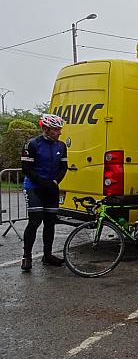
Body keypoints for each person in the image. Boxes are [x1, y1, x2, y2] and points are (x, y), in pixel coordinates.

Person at [19, 114, 68, 271]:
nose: (59, 132)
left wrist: (55, 182)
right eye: (56, 130)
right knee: (35, 221)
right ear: (46, 129)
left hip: (51, 187)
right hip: (34, 187)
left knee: (50, 222)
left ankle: (47, 255)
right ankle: (26, 256)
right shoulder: (32, 144)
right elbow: (26, 169)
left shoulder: (61, 146)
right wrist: (43, 183)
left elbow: (63, 168)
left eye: (60, 129)